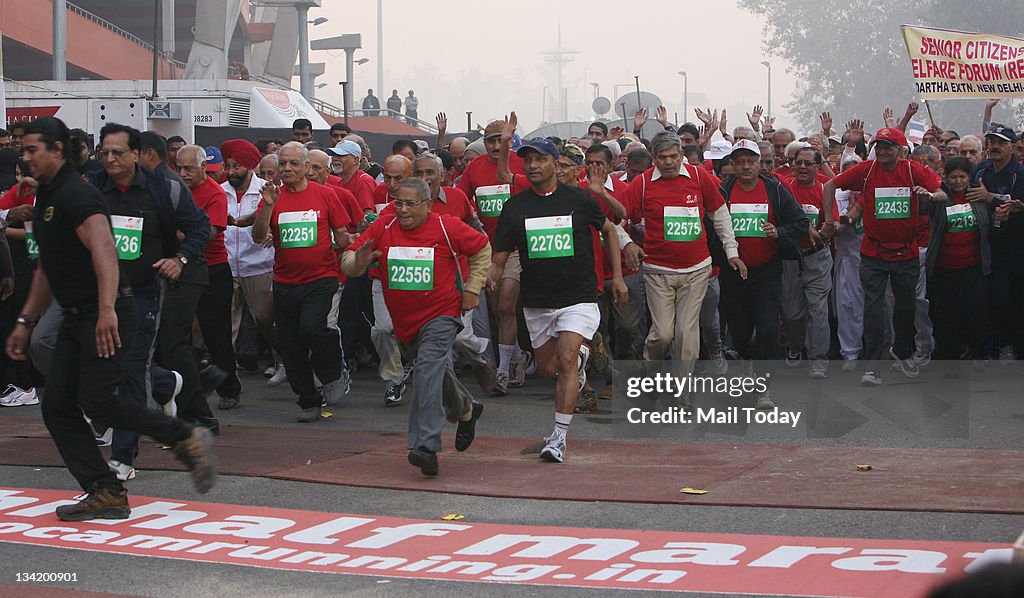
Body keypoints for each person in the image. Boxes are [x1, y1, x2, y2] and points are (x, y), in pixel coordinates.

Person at [6, 117, 216, 520]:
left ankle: (183, 437)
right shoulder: (51, 195)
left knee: (99, 401)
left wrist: (106, 312)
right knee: (58, 406)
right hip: (77, 314)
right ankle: (105, 490)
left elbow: (104, 252)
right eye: (23, 148)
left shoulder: (76, 196)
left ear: (56, 151)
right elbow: (50, 268)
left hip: (109, 311)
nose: (25, 156)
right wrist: (26, 321)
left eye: (32, 149)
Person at [488, 137, 627, 463]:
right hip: (537, 301)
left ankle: (558, 439)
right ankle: (580, 355)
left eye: (541, 160)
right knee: (550, 368)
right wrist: (491, 274)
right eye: (528, 161)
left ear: (556, 164)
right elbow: (500, 254)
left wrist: (617, 277)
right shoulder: (516, 207)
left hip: (578, 296)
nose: (533, 166)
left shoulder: (579, 200)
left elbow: (609, 229)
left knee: (565, 362)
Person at [343, 178, 490, 476]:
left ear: (427, 204)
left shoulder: (447, 226)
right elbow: (349, 261)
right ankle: (466, 408)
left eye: (411, 204)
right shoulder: (383, 227)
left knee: (426, 372)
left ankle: (425, 446)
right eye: (398, 202)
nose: (403, 209)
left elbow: (482, 247)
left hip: (442, 313)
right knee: (433, 371)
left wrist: (473, 287)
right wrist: (357, 262)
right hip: (405, 322)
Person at [92, 124, 212, 481]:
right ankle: (163, 384)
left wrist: (180, 260)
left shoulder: (164, 187)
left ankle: (123, 457)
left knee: (131, 367)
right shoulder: (93, 187)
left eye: (118, 152)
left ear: (137, 154)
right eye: (104, 153)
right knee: (79, 359)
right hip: (98, 293)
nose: (110, 159)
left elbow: (199, 226)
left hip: (142, 292)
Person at [822, 126, 944, 387]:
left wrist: (931, 195)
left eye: (890, 146)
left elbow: (942, 191)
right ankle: (873, 365)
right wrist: (830, 220)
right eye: (880, 146)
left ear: (900, 150)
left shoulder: (913, 170)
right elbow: (831, 184)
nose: (884, 151)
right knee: (874, 309)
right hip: (873, 253)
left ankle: (902, 353)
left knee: (905, 307)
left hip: (907, 252)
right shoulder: (866, 170)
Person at [620, 131, 742, 381]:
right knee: (662, 334)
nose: (668, 163)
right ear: (653, 158)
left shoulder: (699, 177)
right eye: (662, 157)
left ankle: (682, 393)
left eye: (673, 157)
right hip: (658, 272)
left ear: (682, 156)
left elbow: (720, 215)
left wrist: (732, 252)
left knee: (687, 335)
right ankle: (651, 374)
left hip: (697, 270)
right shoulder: (642, 184)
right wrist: (628, 244)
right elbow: (615, 220)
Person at [252, 142, 352, 422]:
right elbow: (258, 236)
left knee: (314, 328)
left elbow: (342, 235)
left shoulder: (326, 195)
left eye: (294, 163)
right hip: (285, 281)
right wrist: (268, 208)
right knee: (291, 343)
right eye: (282, 163)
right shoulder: (272, 196)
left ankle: (333, 372)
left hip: (321, 278)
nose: (287, 169)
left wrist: (361, 243)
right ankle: (308, 401)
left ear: (307, 167)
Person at [718, 140, 806, 408]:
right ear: (732, 165)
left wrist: (779, 232)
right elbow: (710, 227)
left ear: (760, 164)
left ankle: (763, 387)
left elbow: (800, 223)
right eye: (740, 162)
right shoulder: (723, 191)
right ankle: (746, 360)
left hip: (767, 271)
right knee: (740, 330)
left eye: (751, 161)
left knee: (768, 329)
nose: (745, 167)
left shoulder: (775, 189)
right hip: (734, 272)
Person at [462, 119, 528, 394]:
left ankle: (501, 372)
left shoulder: (522, 164)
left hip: (516, 249)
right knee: (497, 310)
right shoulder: (473, 169)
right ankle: (516, 357)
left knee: (505, 306)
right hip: (486, 250)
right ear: (483, 142)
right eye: (490, 140)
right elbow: (461, 203)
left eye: (501, 139)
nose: (495, 145)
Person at [178, 145, 241, 410]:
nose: (183, 174)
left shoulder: (215, 193)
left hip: (212, 269)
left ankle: (229, 388)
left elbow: (210, 232)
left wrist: (174, 233)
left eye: (188, 169)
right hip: (180, 269)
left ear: (204, 168)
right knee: (178, 332)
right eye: (179, 168)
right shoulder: (176, 190)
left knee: (217, 334)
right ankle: (183, 387)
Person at [220, 139, 284, 386]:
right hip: (227, 266)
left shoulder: (266, 190)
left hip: (258, 265)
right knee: (227, 324)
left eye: (237, 166)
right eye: (229, 166)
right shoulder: (220, 190)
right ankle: (227, 375)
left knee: (266, 321)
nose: (232, 171)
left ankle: (283, 361)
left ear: (249, 166)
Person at [924, 157, 992, 377]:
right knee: (945, 313)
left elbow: (990, 222)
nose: (958, 181)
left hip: (973, 266)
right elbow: (924, 207)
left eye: (963, 177)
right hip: (944, 267)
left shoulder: (978, 196)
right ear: (946, 177)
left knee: (976, 310)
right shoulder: (940, 196)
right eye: (954, 177)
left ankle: (979, 353)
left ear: (969, 178)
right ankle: (948, 354)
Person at [780, 147, 836, 378]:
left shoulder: (825, 188)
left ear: (817, 166)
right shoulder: (783, 187)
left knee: (818, 310)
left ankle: (818, 360)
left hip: (818, 258)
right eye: (798, 163)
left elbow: (835, 222)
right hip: (790, 259)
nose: (802, 167)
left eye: (807, 164)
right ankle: (794, 347)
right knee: (792, 313)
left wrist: (830, 228)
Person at [972, 125, 1024, 364]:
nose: (994, 147)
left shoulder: (1020, 174)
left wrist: (991, 199)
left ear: (1012, 147)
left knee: (1014, 298)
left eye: (1001, 143)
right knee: (996, 299)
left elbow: (1016, 204)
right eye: (991, 141)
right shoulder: (982, 171)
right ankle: (1000, 346)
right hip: (988, 246)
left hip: (1016, 246)